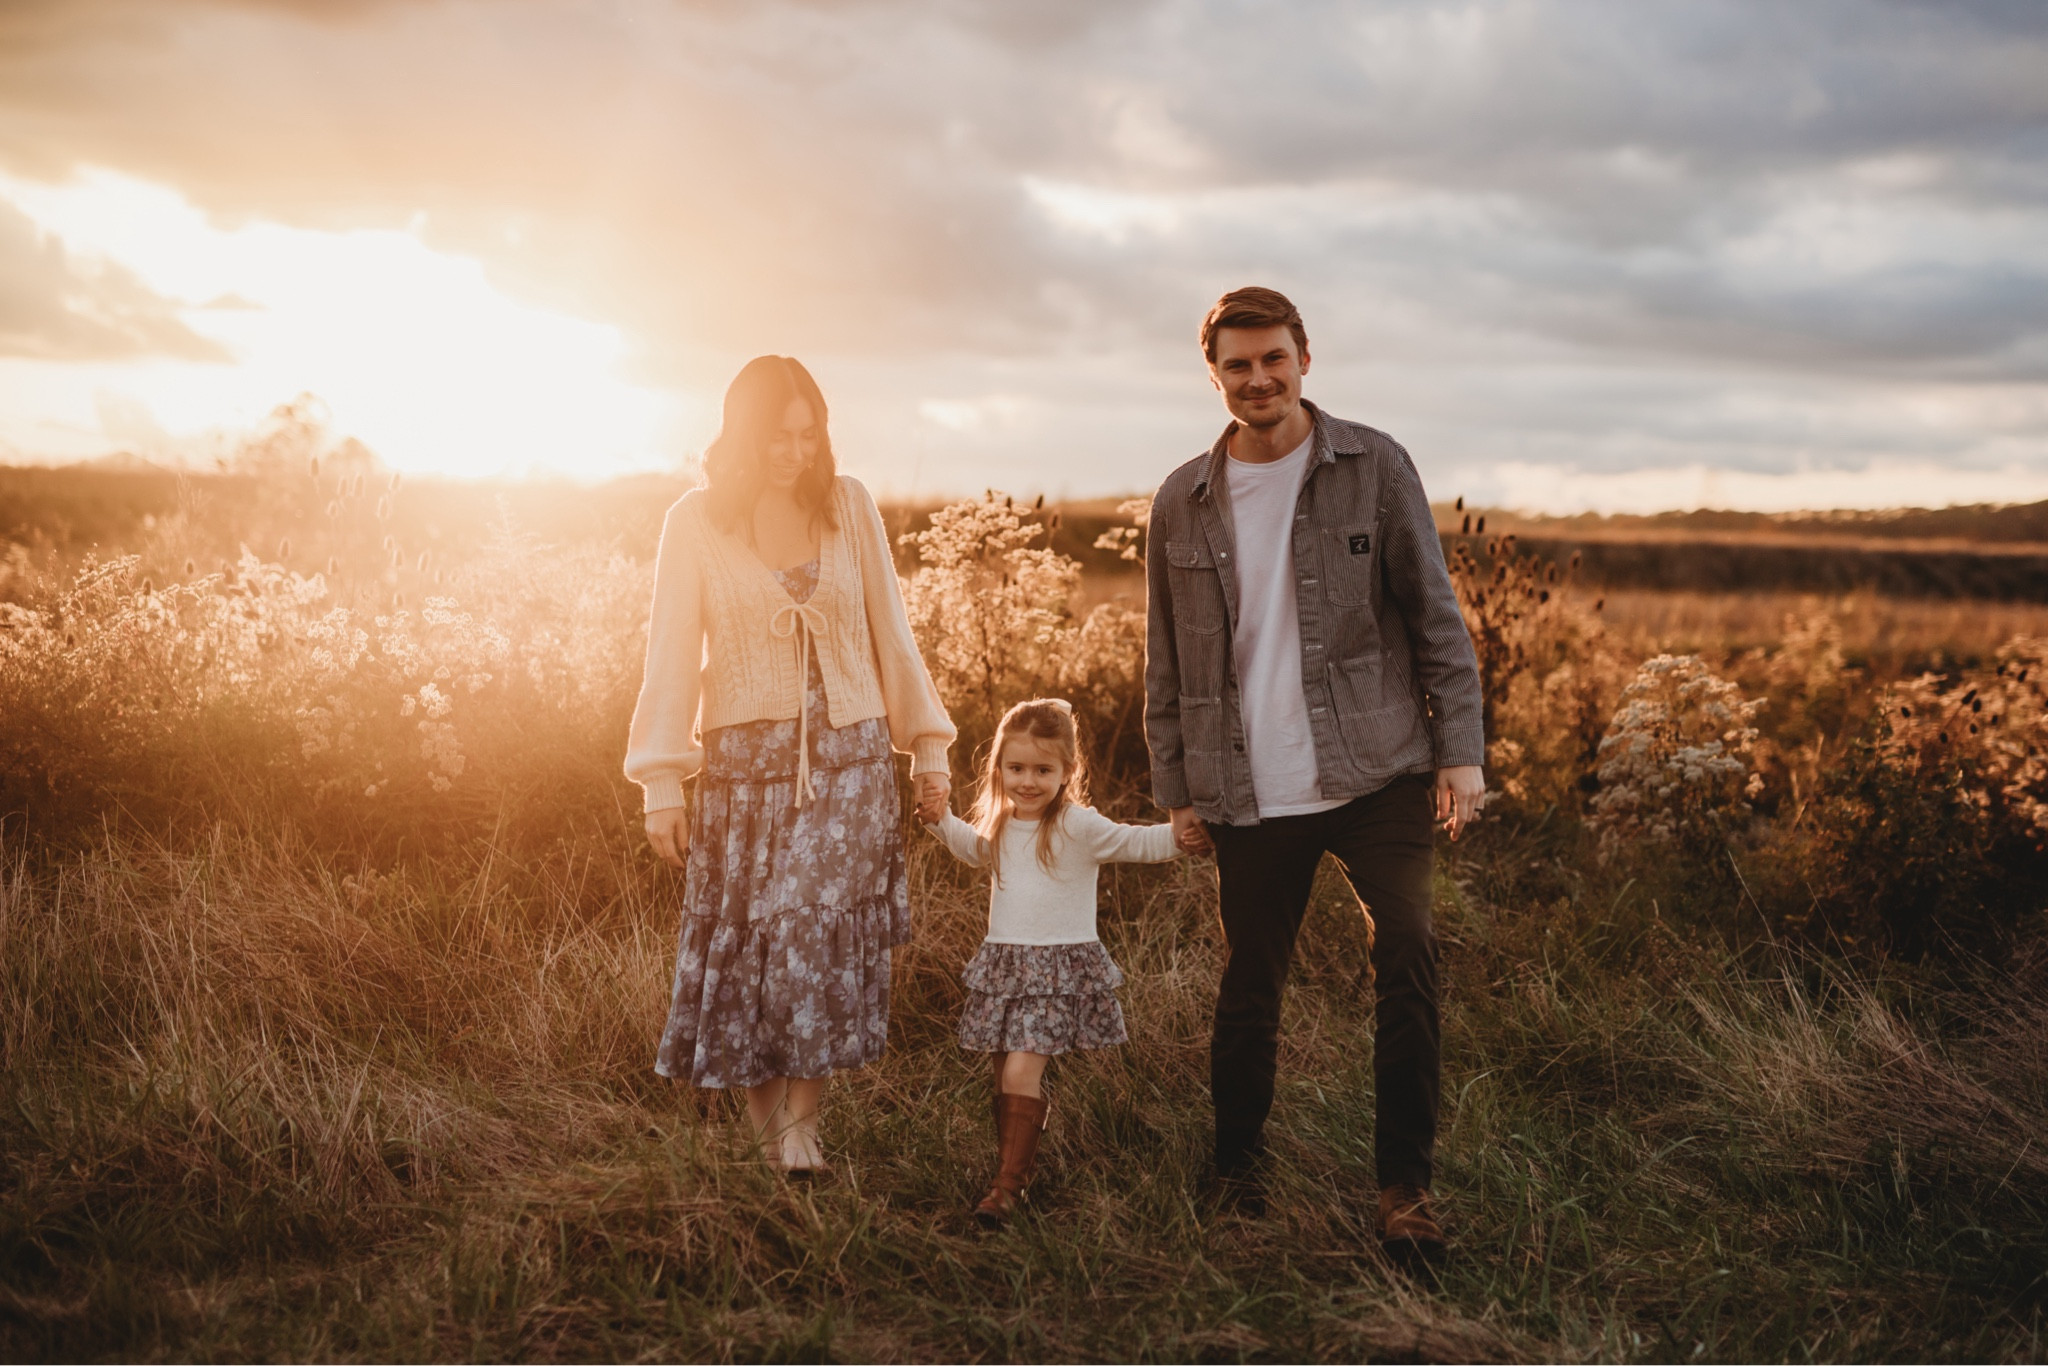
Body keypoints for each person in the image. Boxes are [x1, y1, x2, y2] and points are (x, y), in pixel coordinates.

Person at [1143, 287, 1485, 1261]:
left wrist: (1459, 752)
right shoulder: (1180, 499)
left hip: (1380, 769)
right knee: (1250, 981)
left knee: (1408, 954)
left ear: (1303, 357)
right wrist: (1176, 789)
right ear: (1213, 375)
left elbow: (1433, 614)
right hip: (1248, 785)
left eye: (1273, 359)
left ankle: (1404, 1190)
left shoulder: (1374, 465)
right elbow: (1163, 657)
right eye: (1237, 365)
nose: (1258, 379)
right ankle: (1236, 1174)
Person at [626, 355, 955, 1176]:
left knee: (810, 938)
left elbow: (892, 634)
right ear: (742, 434)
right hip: (743, 777)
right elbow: (670, 656)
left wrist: (929, 749)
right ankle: (770, 1134)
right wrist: (662, 782)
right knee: (754, 949)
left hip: (850, 767)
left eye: (810, 435)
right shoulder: (694, 522)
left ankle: (803, 1128)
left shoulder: (849, 505)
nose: (796, 452)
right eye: (779, 436)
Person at [916, 698, 1182, 1223]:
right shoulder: (1000, 824)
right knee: (1005, 1078)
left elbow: (1136, 842)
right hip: (1006, 970)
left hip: (1056, 973)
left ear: (1067, 771)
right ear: (999, 767)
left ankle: (1007, 1190)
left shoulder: (1077, 825)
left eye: (1043, 770)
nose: (1028, 781)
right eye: (1016, 768)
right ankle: (1010, 1176)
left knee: (1020, 1071)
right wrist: (939, 820)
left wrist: (1187, 835)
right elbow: (973, 850)